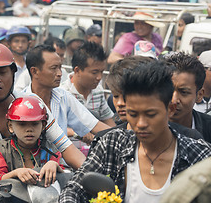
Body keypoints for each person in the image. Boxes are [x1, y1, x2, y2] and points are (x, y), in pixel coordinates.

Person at [0, 43, 86, 201]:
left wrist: (94, 178)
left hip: (38, 193)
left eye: (2, 72)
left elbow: (68, 150)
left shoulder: (32, 103)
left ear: (13, 73)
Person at [59, 60, 211, 202]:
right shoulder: (112, 144)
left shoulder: (197, 155)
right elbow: (72, 190)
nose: (141, 124)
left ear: (170, 109)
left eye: (151, 114)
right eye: (133, 114)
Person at [25, 45, 111, 144]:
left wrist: (126, 136)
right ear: (34, 71)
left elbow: (94, 125)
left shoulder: (64, 97)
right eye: (54, 68)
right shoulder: (22, 101)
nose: (60, 73)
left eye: (60, 68)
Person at [0, 96, 64, 187]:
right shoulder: (1, 150)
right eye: (22, 124)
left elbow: (65, 177)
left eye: (35, 124)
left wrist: (54, 165)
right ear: (10, 126)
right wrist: (15, 174)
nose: (29, 129)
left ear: (43, 125)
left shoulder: (50, 149)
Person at [61, 42, 115, 126]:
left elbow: (108, 121)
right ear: (77, 70)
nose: (99, 77)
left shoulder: (98, 91)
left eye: (102, 72)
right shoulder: (63, 93)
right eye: (94, 72)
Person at [163, 52, 211, 143]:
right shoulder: (144, 128)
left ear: (199, 95)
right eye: (168, 90)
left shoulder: (208, 128)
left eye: (184, 92)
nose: (174, 100)